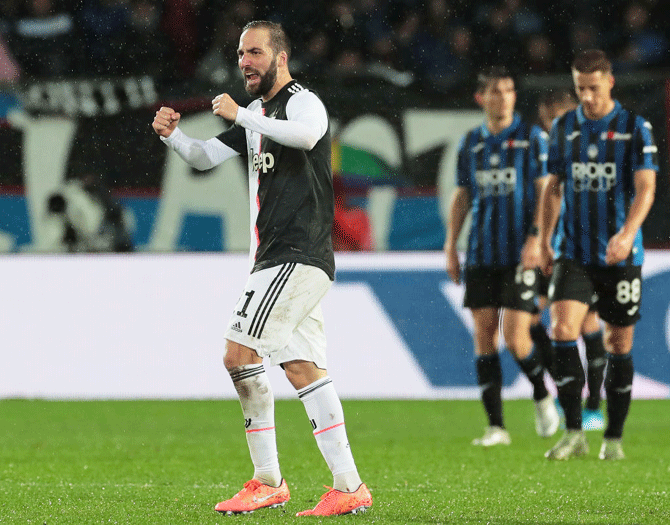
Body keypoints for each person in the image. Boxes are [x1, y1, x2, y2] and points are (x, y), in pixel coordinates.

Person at [151, 20, 372, 516]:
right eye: (240, 54)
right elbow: (207, 157)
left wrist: (244, 117)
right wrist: (174, 136)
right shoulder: (255, 114)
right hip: (280, 257)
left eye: (254, 53)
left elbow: (308, 134)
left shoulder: (301, 101)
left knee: (238, 354)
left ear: (281, 57)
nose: (245, 62)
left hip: (294, 255)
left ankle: (268, 480)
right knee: (302, 369)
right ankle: (350, 486)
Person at [530, 49, 657, 460]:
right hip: (574, 253)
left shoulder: (635, 128)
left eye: (593, 87)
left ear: (610, 82)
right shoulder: (565, 127)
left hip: (621, 255)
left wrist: (627, 232)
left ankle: (613, 439)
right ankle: (573, 433)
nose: (586, 96)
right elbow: (553, 188)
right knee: (562, 330)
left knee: (618, 343)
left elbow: (646, 188)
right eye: (580, 88)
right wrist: (545, 239)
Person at [444, 65, 560, 448]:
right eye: (496, 90)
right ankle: (496, 427)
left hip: (521, 254)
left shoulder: (532, 139)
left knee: (515, 335)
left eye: (509, 90)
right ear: (482, 98)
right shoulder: (472, 143)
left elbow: (547, 192)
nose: (504, 96)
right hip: (481, 252)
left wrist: (537, 238)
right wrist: (451, 245)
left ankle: (542, 393)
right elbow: (463, 196)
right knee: (484, 335)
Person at [532, 89, 606, 432]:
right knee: (539, 322)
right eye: (552, 115)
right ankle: (568, 392)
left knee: (587, 325)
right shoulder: (548, 147)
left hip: (581, 250)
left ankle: (592, 406)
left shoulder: (588, 144)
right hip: (552, 250)